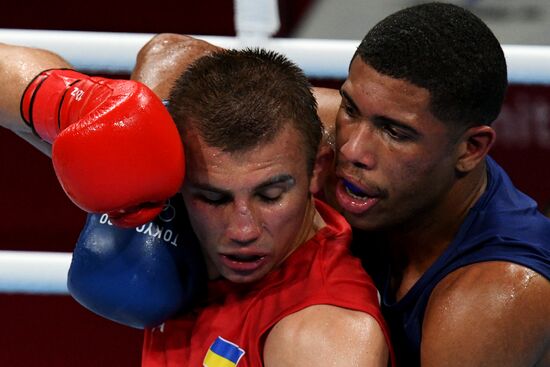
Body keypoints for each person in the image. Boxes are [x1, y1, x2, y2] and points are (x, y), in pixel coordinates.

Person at [129, 2, 550, 366]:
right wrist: (135, 166)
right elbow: (174, 55)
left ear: (471, 148)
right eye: (351, 106)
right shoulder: (339, 139)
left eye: (395, 132)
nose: (353, 149)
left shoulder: (492, 298)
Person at [0, 43, 393, 365]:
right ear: (178, 182)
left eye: (270, 196)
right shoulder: (174, 214)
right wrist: (85, 107)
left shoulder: (322, 338)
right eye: (214, 198)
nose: (243, 230)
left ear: (317, 172)